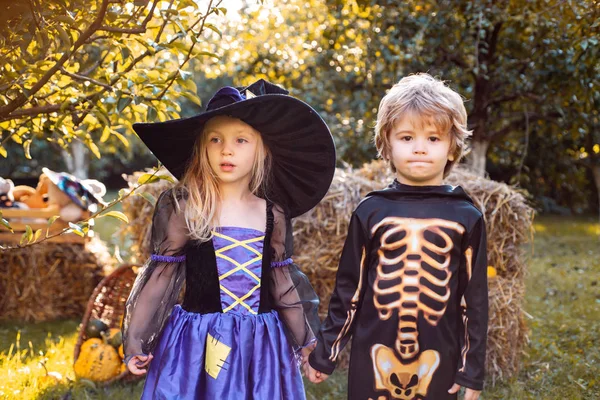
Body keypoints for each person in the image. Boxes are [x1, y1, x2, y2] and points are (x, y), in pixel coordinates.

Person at [122, 79, 336, 399]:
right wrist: (136, 339)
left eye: (241, 140)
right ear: (202, 147)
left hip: (260, 345)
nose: (227, 149)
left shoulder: (271, 214)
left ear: (262, 150)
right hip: (199, 341)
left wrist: (306, 343)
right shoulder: (187, 208)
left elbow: (282, 283)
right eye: (215, 140)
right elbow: (161, 278)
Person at [306, 73, 488, 400]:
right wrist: (327, 351)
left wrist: (471, 368)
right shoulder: (371, 211)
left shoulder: (467, 216)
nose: (419, 148)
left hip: (439, 358)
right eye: (406, 138)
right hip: (373, 356)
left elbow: (473, 301)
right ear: (387, 143)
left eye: (433, 139)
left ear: (452, 148)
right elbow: (349, 290)